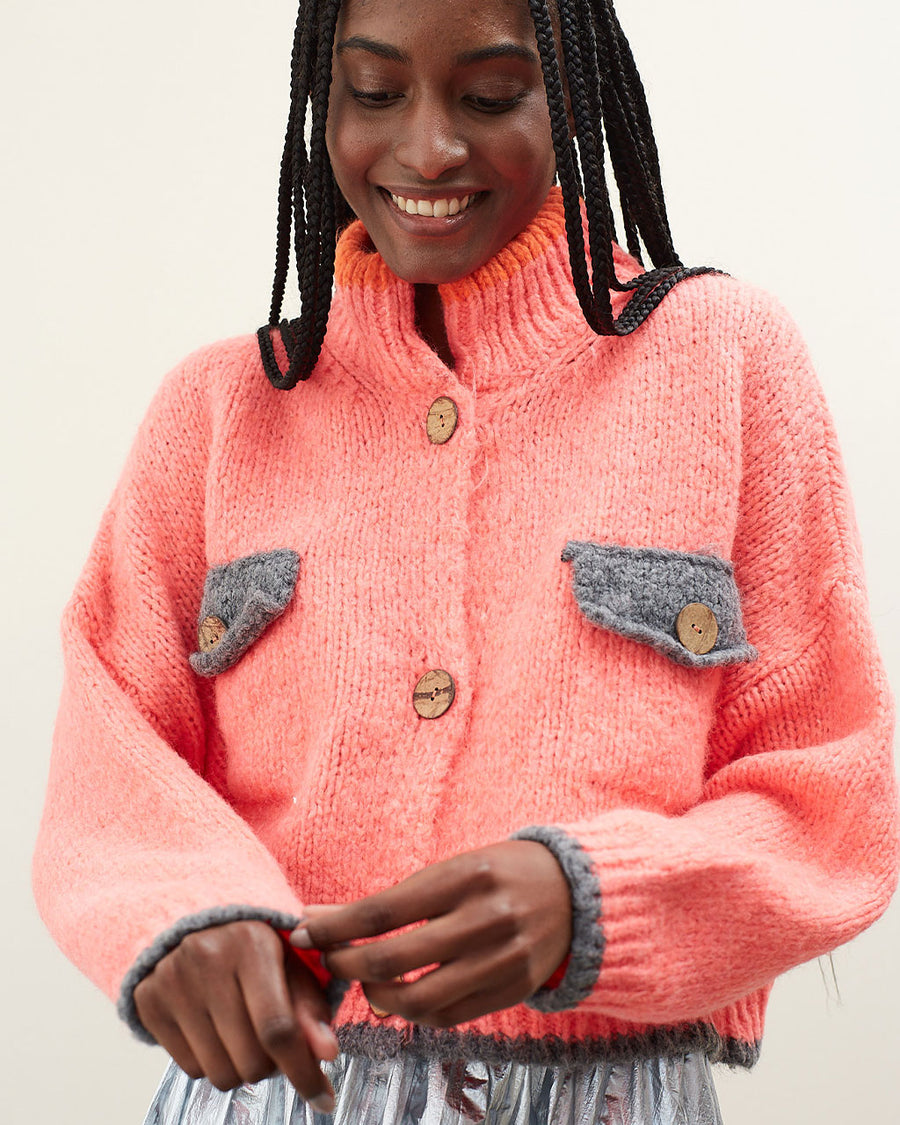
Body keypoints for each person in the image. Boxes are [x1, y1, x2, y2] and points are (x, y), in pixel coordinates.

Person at [32, 0, 899, 1122]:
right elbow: (111, 748)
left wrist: (597, 903)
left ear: (573, 98)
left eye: (490, 95)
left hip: (611, 1099)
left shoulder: (723, 361)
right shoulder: (220, 411)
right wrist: (185, 917)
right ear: (322, 103)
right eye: (375, 92)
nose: (428, 147)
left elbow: (835, 793)